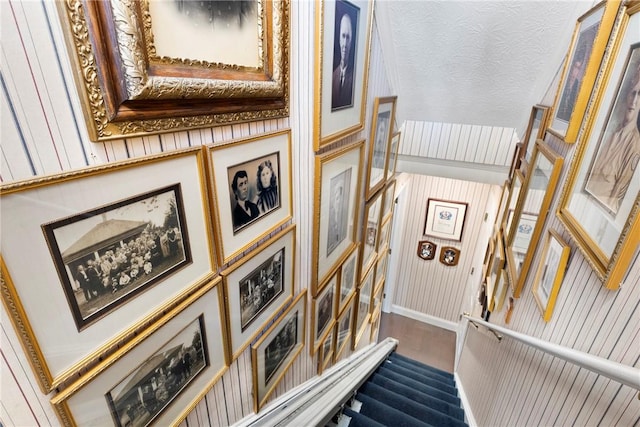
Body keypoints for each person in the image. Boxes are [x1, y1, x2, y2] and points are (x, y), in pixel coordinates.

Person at [585, 67, 640, 215]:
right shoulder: (609, 131)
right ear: (627, 95)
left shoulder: (635, 147)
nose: (634, 101)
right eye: (633, 93)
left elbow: (614, 203)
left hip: (594, 216)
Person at [331, 12, 354, 109]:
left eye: (348, 37)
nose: (345, 43)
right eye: (343, 36)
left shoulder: (354, 77)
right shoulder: (333, 76)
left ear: (351, 41)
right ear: (339, 39)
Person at [327, 178, 347, 256]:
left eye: (341, 199)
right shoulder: (328, 217)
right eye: (337, 198)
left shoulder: (344, 215)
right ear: (334, 199)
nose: (339, 202)